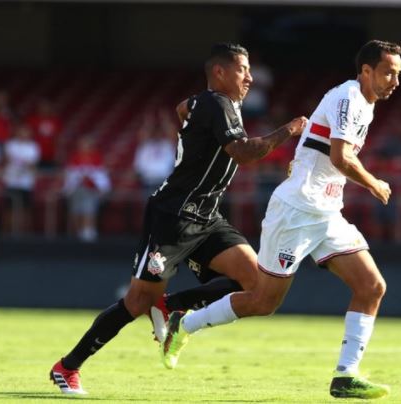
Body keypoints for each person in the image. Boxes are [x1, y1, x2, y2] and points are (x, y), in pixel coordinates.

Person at [49, 42, 307, 395]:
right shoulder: (217, 102)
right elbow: (244, 154)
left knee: (255, 283)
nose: (250, 77)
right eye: (243, 69)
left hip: (207, 216)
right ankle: (68, 366)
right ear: (219, 72)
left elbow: (182, 107)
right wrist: (289, 130)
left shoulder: (210, 102)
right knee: (136, 301)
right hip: (173, 216)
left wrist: (193, 129)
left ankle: (171, 307)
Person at [161, 39, 401, 400]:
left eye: (398, 74)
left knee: (372, 287)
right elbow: (340, 157)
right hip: (296, 210)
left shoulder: (362, 104)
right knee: (262, 301)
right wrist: (374, 184)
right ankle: (185, 322)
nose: (394, 81)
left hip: (325, 212)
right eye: (387, 72)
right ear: (366, 71)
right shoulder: (349, 97)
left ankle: (346, 376)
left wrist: (302, 161)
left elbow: (318, 141)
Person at [62, 136, 112, 242]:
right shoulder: (74, 157)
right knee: (76, 210)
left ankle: (88, 230)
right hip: (77, 188)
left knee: (89, 209)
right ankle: (78, 231)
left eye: (87, 144)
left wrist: (102, 187)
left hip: (90, 189)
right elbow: (70, 173)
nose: (85, 147)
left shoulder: (96, 157)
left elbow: (101, 174)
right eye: (82, 145)